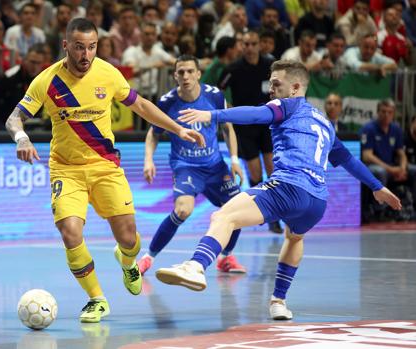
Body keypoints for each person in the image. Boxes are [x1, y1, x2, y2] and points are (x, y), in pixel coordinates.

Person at [155, 60, 401, 320]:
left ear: (295, 88)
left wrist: (213, 115)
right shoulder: (325, 123)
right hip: (317, 200)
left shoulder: (287, 105)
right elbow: (348, 160)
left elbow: (255, 114)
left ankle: (195, 266)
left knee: (223, 216)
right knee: (294, 238)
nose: (271, 89)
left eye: (276, 84)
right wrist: (377, 187)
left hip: (288, 187)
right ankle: (278, 302)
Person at [5, 18, 204, 324]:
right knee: (70, 232)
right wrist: (21, 137)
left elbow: (142, 106)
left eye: (92, 47)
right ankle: (97, 299)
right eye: (80, 48)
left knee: (128, 239)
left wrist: (178, 129)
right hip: (66, 170)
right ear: (66, 46)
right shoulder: (47, 80)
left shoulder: (108, 73)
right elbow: (14, 119)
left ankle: (127, 261)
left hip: (105, 167)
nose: (86, 55)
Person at [138, 55, 246, 276]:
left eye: (189, 71)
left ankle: (226, 258)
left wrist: (234, 161)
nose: (185, 76)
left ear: (198, 74)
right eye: (180, 72)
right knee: (182, 210)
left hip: (215, 166)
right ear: (175, 76)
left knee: (238, 209)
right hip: (186, 166)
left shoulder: (215, 96)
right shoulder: (167, 102)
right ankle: (148, 257)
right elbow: (153, 134)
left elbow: (227, 128)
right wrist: (148, 159)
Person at [218, 30, 282, 234]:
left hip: (267, 124)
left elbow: (282, 86)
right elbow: (219, 91)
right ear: (241, 46)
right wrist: (226, 112)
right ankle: (260, 210)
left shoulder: (269, 66)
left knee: (272, 169)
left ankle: (274, 215)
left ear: (260, 45)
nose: (250, 48)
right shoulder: (233, 68)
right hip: (244, 128)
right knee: (255, 172)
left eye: (253, 43)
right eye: (245, 44)